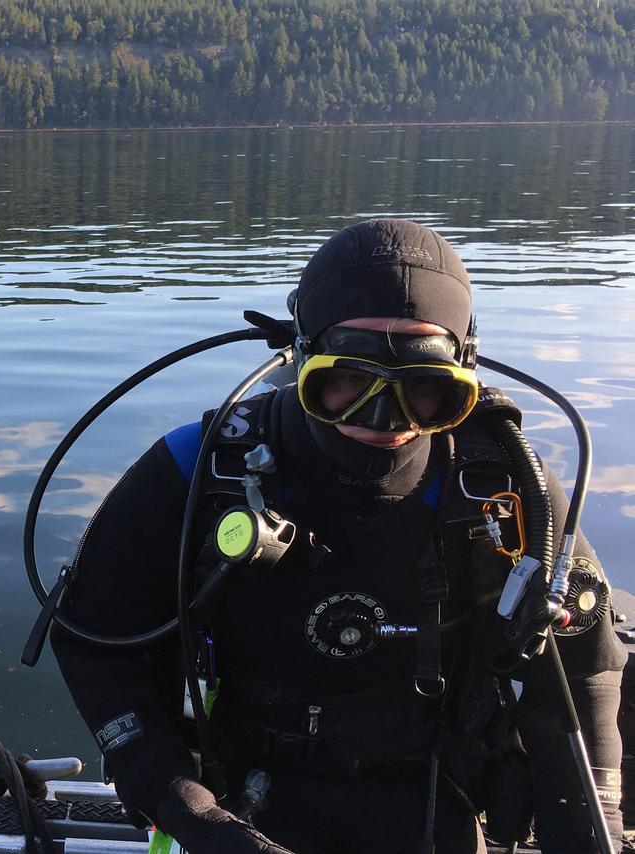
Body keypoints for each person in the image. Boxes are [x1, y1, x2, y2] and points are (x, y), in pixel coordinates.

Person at [50, 219, 625, 853]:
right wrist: (176, 802)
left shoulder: (505, 490)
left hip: (437, 794)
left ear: (462, 371)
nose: (384, 418)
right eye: (349, 380)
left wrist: (586, 818)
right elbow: (93, 640)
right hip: (240, 796)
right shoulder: (200, 468)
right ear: (302, 359)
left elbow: (586, 669)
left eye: (424, 386)